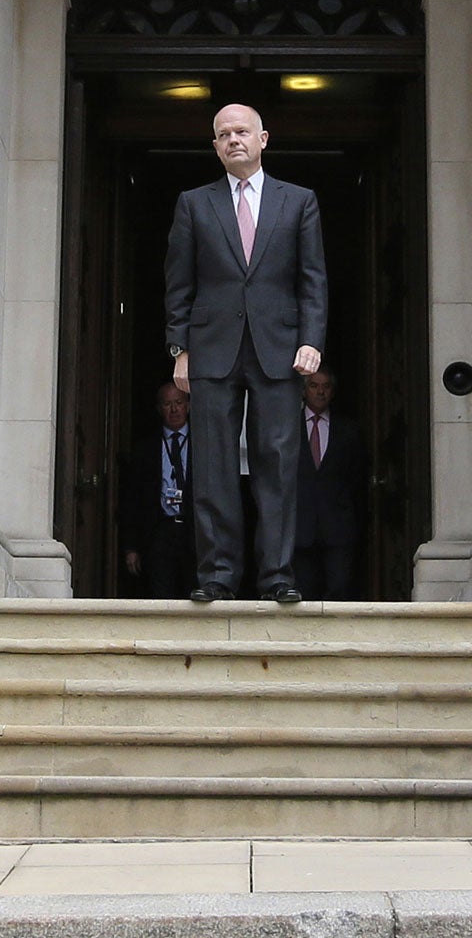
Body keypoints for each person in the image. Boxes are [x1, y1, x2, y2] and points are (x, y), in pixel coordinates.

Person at [164, 102, 328, 603]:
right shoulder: (194, 203)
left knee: (276, 464)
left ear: (263, 139)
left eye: (242, 132)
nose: (234, 140)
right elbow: (179, 281)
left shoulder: (299, 201)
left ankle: (277, 577)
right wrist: (180, 348)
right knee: (212, 467)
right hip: (212, 349)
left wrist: (311, 340)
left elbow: (312, 279)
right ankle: (216, 576)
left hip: (278, 348)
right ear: (214, 146)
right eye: (223, 134)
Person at [294, 369, 367, 601]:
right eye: (314, 385)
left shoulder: (348, 430)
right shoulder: (288, 428)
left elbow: (358, 477)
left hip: (338, 526)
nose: (321, 391)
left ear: (333, 392)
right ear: (304, 391)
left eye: (326, 386)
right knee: (303, 593)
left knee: (339, 588)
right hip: (299, 526)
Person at [120, 382, 197, 599]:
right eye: (167, 404)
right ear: (158, 409)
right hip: (159, 532)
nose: (174, 410)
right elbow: (132, 501)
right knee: (161, 595)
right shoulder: (145, 449)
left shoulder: (204, 444)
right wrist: (130, 547)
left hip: (194, 533)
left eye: (179, 403)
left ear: (188, 406)